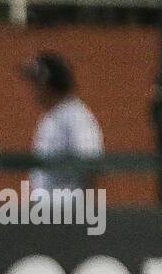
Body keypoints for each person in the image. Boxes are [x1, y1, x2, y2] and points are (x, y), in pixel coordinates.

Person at [22, 52, 103, 195]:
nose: (32, 90)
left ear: (47, 84)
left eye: (35, 83)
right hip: (46, 212)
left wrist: (83, 213)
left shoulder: (76, 117)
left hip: (68, 212)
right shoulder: (52, 117)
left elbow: (90, 168)